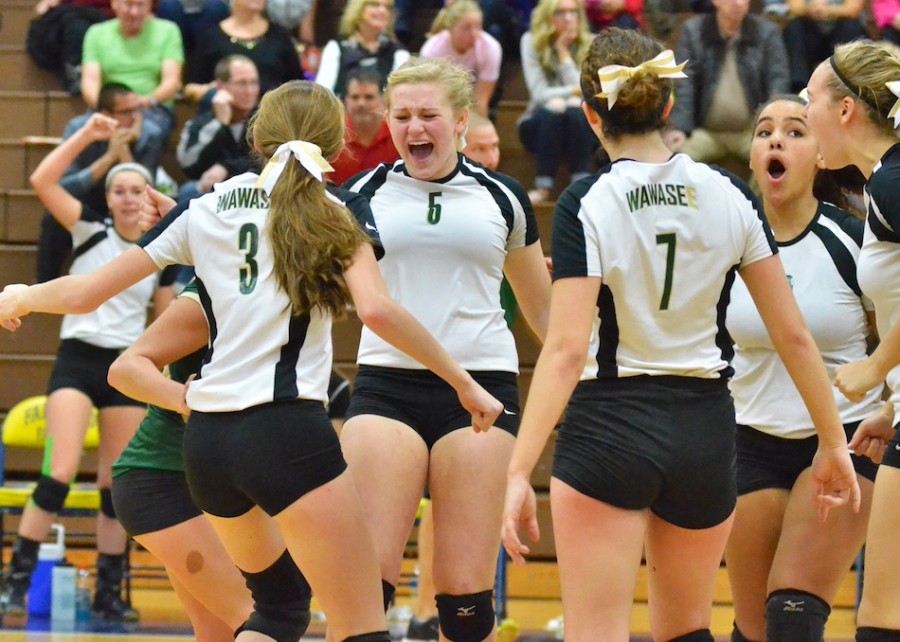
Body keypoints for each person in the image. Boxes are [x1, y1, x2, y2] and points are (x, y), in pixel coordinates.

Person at [0, 79, 502, 642]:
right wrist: (463, 382)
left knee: (278, 613)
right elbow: (378, 312)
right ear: (337, 145)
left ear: (257, 138)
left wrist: (21, 295)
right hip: (286, 431)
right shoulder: (335, 207)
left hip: (207, 445)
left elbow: (86, 293)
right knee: (362, 626)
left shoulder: (205, 207)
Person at [501, 27, 860, 642]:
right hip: (704, 430)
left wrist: (517, 470)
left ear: (591, 115)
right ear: (668, 106)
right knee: (688, 628)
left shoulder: (588, 200)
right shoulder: (728, 195)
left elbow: (563, 353)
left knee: (596, 630)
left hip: (608, 426)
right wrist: (833, 442)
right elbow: (795, 337)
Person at [342, 56, 551, 642]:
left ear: (460, 121)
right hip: (387, 385)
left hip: (484, 391)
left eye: (429, 115)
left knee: (465, 602)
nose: (415, 128)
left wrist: (589, 376)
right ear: (387, 119)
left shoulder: (503, 197)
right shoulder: (359, 194)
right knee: (365, 587)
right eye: (402, 115)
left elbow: (542, 310)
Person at [724, 95, 882, 642]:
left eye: (794, 131)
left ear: (820, 156)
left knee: (792, 616)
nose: (776, 140)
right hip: (748, 442)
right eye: (764, 130)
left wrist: (887, 405)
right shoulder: (726, 242)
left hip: (845, 440)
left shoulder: (854, 241)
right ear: (750, 155)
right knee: (752, 630)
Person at [0, 114, 169, 621]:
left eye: (136, 190)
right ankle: (16, 582)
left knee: (115, 488)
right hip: (76, 361)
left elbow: (164, 320)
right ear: (108, 194)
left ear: (148, 196)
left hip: (122, 366)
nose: (126, 198)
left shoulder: (158, 249)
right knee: (57, 472)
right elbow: (41, 181)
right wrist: (91, 139)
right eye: (118, 189)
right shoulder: (88, 229)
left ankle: (110, 592)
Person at [805, 39, 900, 642]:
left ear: (845, 111)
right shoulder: (883, 185)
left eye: (810, 98)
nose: (802, 109)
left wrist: (873, 368)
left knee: (881, 621)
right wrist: (891, 404)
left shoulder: (893, 184)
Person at [36, 82, 166, 283]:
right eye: (127, 112)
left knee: (149, 213)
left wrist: (123, 152)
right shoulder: (80, 128)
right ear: (106, 113)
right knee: (52, 218)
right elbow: (64, 186)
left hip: (124, 203)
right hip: (87, 201)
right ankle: (44, 286)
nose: (136, 117)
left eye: (137, 109)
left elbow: (146, 189)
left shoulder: (150, 133)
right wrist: (109, 157)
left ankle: (144, 284)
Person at [665, 0, 790, 166]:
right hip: (704, 132)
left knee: (778, 162)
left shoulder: (767, 32)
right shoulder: (693, 31)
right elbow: (684, 83)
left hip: (751, 132)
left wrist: (773, 128)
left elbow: (778, 80)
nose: (738, 3)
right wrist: (680, 127)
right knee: (674, 159)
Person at [518, 0, 595, 205]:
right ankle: (543, 188)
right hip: (538, 123)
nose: (569, 18)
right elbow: (539, 93)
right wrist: (571, 92)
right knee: (555, 108)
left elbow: (588, 93)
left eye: (573, 12)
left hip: (579, 124)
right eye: (561, 12)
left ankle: (580, 186)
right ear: (547, 16)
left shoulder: (592, 43)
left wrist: (563, 54)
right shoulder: (531, 41)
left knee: (574, 109)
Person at [81, 0, 184, 137]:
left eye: (140, 5)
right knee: (76, 127)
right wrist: (111, 109)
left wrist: (140, 103)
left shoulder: (168, 31)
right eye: (128, 5)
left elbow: (172, 82)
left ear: (150, 6)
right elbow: (90, 82)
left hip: (152, 107)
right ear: (114, 4)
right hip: (108, 108)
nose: (134, 12)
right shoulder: (96, 33)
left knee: (148, 133)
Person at [177, 55, 260, 202]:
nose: (249, 91)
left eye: (254, 83)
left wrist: (226, 167)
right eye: (241, 83)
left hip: (255, 187)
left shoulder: (264, 119)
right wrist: (220, 125)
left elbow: (268, 161)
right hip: (213, 190)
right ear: (220, 87)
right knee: (188, 191)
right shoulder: (204, 121)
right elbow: (188, 164)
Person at [183, 0, 302, 100]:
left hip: (273, 117)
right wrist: (215, 91)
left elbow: (298, 85)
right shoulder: (211, 37)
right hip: (224, 116)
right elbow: (190, 88)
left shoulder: (279, 35)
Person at [420, 0, 503, 117]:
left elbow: (481, 100)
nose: (474, 34)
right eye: (466, 28)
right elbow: (430, 96)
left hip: (472, 102)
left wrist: (477, 131)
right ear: (450, 29)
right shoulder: (432, 49)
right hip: (440, 102)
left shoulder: (490, 47)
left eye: (478, 26)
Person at [315, 0, 410, 99]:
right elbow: (321, 95)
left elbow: (401, 98)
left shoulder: (399, 53)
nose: (382, 11)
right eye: (375, 4)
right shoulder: (335, 48)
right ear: (358, 9)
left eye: (387, 7)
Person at [329, 67, 400, 186]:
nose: (361, 103)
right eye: (355, 97)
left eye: (369, 97)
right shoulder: (332, 136)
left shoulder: (398, 133)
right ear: (345, 100)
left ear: (383, 101)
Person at [782, 0, 869, 93]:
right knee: (795, 27)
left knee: (851, 26)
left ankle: (852, 85)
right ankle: (799, 88)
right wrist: (812, 9)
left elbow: (853, 9)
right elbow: (795, 8)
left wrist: (828, 10)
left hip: (841, 29)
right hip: (809, 29)